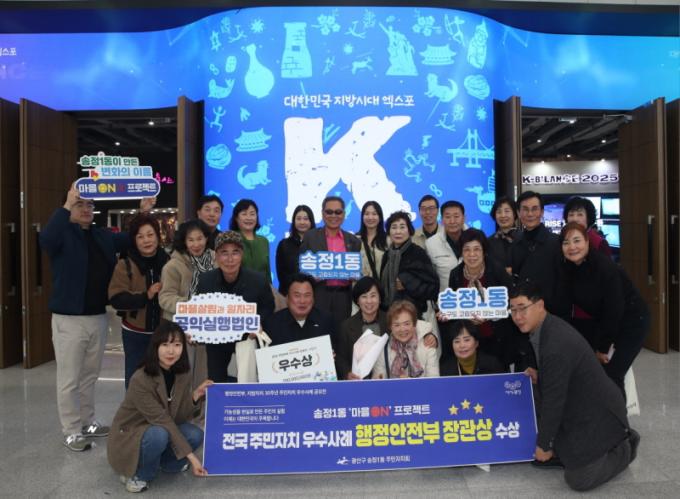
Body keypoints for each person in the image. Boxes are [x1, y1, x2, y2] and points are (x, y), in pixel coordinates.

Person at [40, 184, 153, 451]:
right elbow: (46, 240)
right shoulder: (61, 233)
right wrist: (66, 204)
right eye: (80, 204)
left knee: (90, 375)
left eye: (90, 205)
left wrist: (143, 212)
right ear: (70, 207)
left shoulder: (101, 235)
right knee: (69, 378)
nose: (86, 209)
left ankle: (88, 421)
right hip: (69, 319)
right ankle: (71, 430)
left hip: (98, 316)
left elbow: (130, 238)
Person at [509, 281, 639, 492]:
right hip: (579, 403)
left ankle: (626, 447)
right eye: (513, 310)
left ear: (540, 305)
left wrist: (543, 445)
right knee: (531, 389)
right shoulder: (545, 328)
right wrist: (541, 376)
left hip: (601, 413)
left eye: (522, 308)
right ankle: (563, 449)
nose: (517, 316)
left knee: (579, 479)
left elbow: (554, 401)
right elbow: (560, 379)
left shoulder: (555, 343)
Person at [107, 321, 212, 494]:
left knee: (195, 434)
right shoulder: (141, 378)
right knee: (159, 434)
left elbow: (179, 417)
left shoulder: (182, 373)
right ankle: (139, 474)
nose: (171, 351)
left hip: (160, 426)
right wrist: (192, 458)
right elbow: (163, 421)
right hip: (132, 433)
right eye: (165, 344)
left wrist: (195, 395)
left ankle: (167, 463)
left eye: (177, 345)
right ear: (155, 347)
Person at [560, 222, 649, 396]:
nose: (572, 247)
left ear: (587, 241)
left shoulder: (604, 267)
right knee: (599, 374)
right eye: (566, 243)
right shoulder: (569, 268)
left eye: (577, 240)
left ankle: (618, 414)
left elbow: (613, 309)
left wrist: (602, 348)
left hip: (632, 321)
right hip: (607, 322)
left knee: (613, 375)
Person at [195, 231, 275, 383]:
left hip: (247, 339)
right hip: (217, 341)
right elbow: (199, 312)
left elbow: (268, 306)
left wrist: (258, 322)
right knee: (215, 385)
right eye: (224, 253)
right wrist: (193, 329)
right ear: (216, 256)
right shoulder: (206, 280)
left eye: (235, 252)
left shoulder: (258, 280)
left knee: (248, 385)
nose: (230, 259)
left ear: (242, 255)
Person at [108, 214, 170, 389]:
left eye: (150, 235)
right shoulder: (125, 264)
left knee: (164, 381)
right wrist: (145, 296)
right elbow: (116, 299)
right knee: (135, 381)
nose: (146, 240)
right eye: (140, 236)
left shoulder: (169, 263)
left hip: (163, 332)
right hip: (135, 334)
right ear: (134, 240)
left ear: (158, 236)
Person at [442, 228, 514, 366]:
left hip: (495, 338)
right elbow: (455, 308)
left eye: (476, 249)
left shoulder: (497, 271)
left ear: (484, 251)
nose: (472, 254)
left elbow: (510, 303)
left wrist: (489, 315)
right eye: (467, 250)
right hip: (467, 342)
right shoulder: (455, 274)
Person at [158, 219, 215, 387]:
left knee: (206, 376)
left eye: (200, 238)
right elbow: (165, 298)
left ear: (206, 238)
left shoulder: (216, 260)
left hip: (210, 327)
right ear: (184, 242)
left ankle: (202, 405)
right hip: (182, 330)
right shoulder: (173, 266)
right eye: (191, 240)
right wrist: (192, 305)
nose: (196, 244)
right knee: (183, 378)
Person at [299, 196, 361, 324]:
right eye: (329, 212)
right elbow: (299, 268)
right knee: (318, 332)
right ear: (323, 214)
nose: (333, 216)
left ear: (344, 214)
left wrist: (355, 275)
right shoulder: (310, 237)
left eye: (338, 212)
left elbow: (357, 269)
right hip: (319, 294)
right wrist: (311, 276)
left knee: (342, 332)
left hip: (343, 297)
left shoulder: (353, 241)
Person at [510, 191, 566, 316]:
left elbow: (562, 283)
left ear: (542, 212)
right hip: (522, 312)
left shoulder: (556, 243)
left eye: (534, 209)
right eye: (525, 209)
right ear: (518, 213)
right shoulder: (516, 243)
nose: (530, 214)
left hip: (550, 313)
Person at [380, 211, 439, 318]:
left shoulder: (418, 253)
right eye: (394, 227)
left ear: (409, 230)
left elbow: (433, 288)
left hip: (413, 314)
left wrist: (407, 283)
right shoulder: (387, 255)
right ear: (389, 231)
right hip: (389, 313)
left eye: (402, 227)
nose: (398, 231)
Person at [336, 277, 389, 380]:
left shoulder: (390, 321)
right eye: (364, 296)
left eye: (373, 296)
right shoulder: (346, 326)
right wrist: (347, 373)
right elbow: (341, 358)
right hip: (358, 382)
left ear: (380, 298)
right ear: (357, 301)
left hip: (386, 380)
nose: (369, 301)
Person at [263, 273, 335, 347]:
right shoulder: (271, 324)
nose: (302, 301)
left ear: (313, 299)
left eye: (307, 295)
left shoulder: (326, 321)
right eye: (297, 295)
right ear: (287, 298)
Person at [372, 300, 440, 379]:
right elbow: (379, 382)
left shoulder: (428, 345)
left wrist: (408, 382)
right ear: (390, 327)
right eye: (397, 325)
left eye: (407, 324)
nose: (402, 329)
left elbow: (434, 381)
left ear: (414, 324)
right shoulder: (383, 350)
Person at [426, 200, 467, 291]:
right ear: (442, 220)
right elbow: (430, 277)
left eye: (456, 216)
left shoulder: (475, 238)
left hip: (472, 296)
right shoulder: (431, 243)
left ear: (464, 218)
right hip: (446, 296)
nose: (452, 221)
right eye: (447, 217)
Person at [275, 204, 315, 295]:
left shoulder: (318, 244)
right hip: (289, 293)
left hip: (313, 293)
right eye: (298, 219)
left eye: (306, 219)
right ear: (294, 221)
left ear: (311, 221)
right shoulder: (284, 244)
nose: (302, 222)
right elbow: (281, 274)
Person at [440, 320, 504, 376]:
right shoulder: (445, 370)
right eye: (457, 341)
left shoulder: (492, 364)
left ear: (476, 343)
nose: (462, 345)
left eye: (467, 340)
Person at [229, 199, 271, 283]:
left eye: (252, 214)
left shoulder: (264, 241)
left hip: (261, 288)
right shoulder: (230, 239)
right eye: (244, 214)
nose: (249, 218)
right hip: (237, 288)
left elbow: (267, 272)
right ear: (236, 218)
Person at [488, 196, 520, 273]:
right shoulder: (489, 242)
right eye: (499, 212)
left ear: (514, 214)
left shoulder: (525, 239)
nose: (503, 215)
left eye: (507, 211)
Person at [357, 201, 388, 280]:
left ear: (380, 217)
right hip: (359, 286)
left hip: (381, 286)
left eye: (374, 214)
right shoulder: (355, 239)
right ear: (362, 217)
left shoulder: (388, 240)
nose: (370, 217)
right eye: (367, 214)